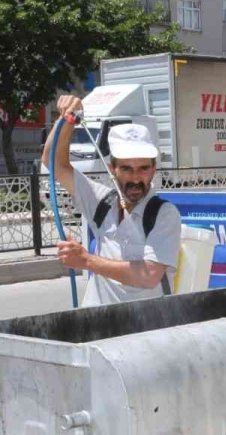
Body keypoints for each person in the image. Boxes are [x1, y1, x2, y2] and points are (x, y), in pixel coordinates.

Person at [41, 94, 182, 308]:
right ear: (112, 169)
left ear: (154, 169)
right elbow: (54, 163)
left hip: (143, 332)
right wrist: (67, 118)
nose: (136, 178)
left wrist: (87, 261)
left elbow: (149, 275)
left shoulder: (164, 214)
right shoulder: (102, 202)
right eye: (126, 168)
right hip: (98, 327)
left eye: (143, 168)